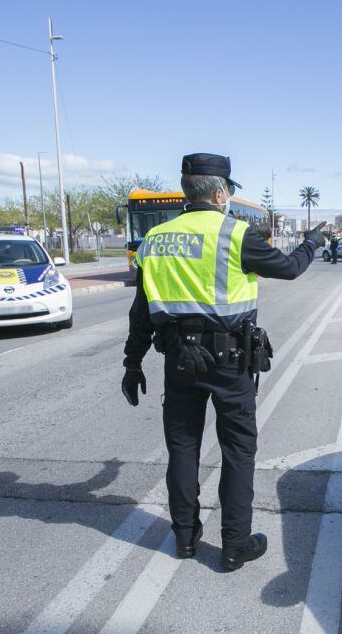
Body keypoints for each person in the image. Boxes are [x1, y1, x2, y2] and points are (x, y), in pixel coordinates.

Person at [121, 152, 327, 570]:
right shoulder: (236, 234)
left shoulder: (154, 240)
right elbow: (288, 268)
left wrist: (133, 363)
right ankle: (234, 545)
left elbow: (141, 311)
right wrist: (312, 244)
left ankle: (184, 538)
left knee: (182, 447)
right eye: (229, 192)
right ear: (219, 193)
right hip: (230, 361)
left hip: (178, 359)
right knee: (237, 451)